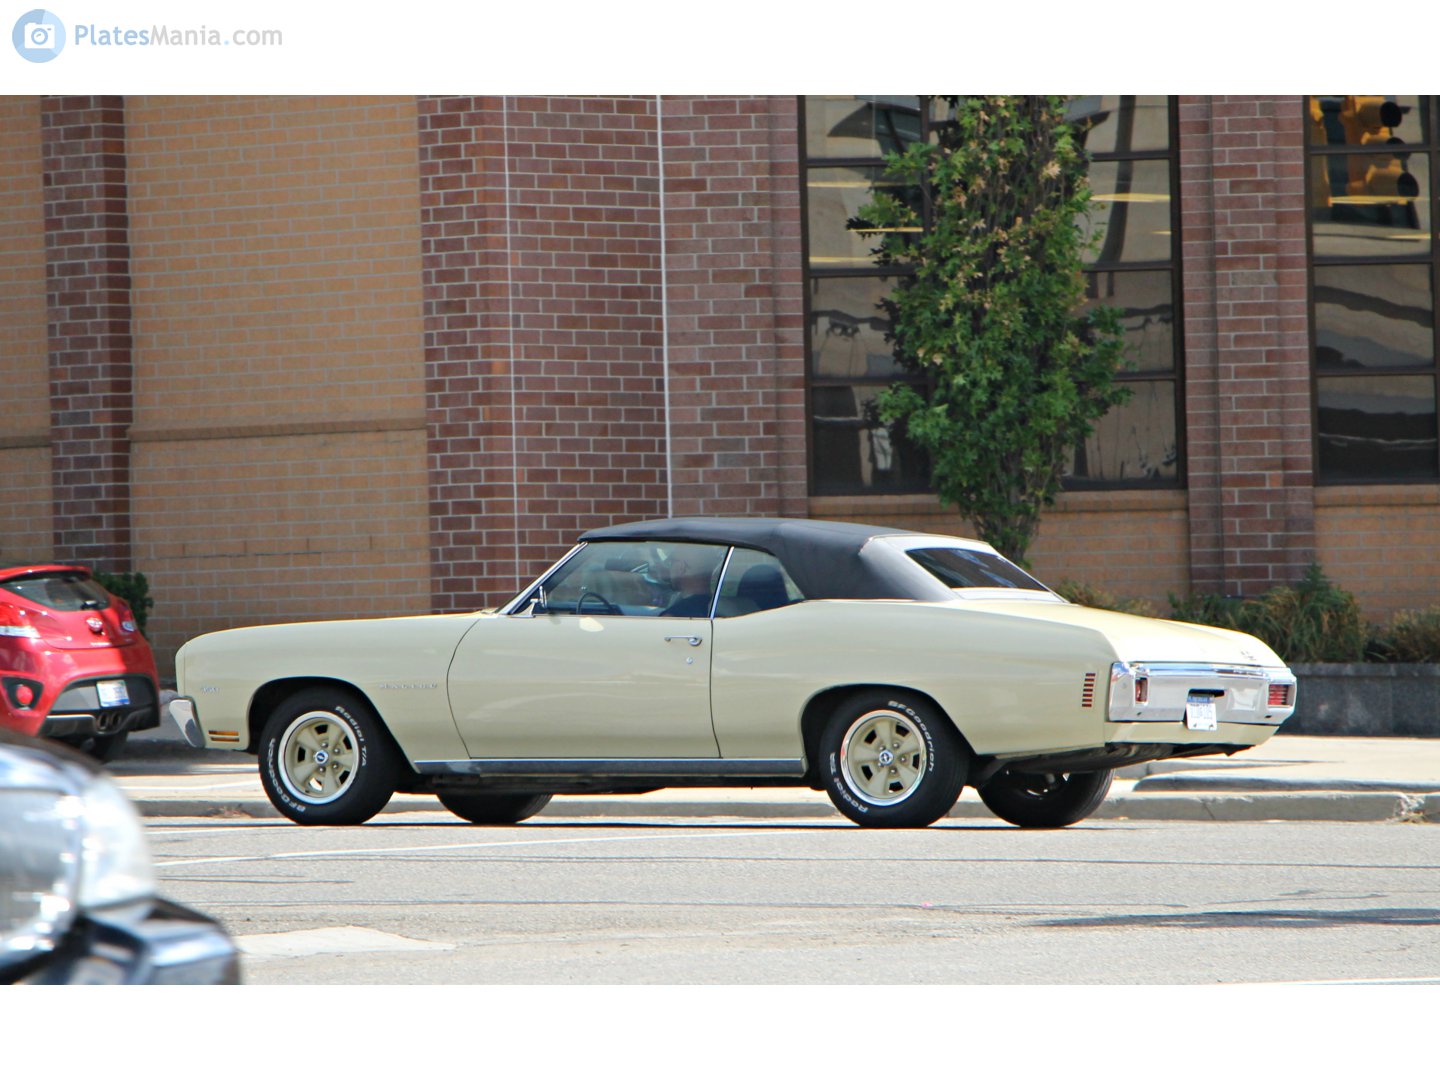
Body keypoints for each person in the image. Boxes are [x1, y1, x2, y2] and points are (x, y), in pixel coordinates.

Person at [661, 551, 717, 618]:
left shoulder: (672, 617)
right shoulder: (716, 605)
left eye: (671, 563)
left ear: (681, 567)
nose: (669, 569)